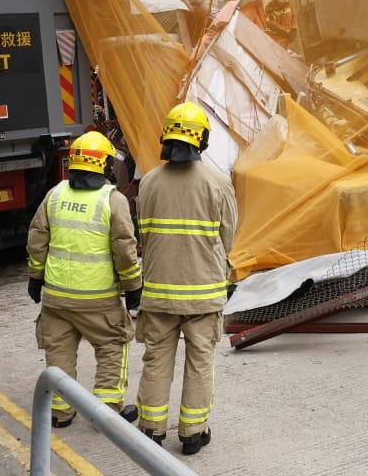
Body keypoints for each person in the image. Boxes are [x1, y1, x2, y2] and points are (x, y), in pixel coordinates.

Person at [130, 102, 237, 456]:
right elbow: (228, 238)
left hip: (158, 292)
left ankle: (151, 429)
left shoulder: (148, 182)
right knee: (200, 361)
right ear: (201, 140)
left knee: (157, 359)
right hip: (203, 295)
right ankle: (192, 433)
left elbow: (143, 232)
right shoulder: (218, 183)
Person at [25, 130, 141, 429]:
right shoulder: (112, 201)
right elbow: (125, 251)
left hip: (57, 300)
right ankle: (106, 411)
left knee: (59, 353)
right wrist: (133, 287)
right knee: (113, 345)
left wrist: (35, 277)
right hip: (98, 301)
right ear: (103, 166)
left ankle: (61, 412)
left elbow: (37, 240)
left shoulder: (55, 195)